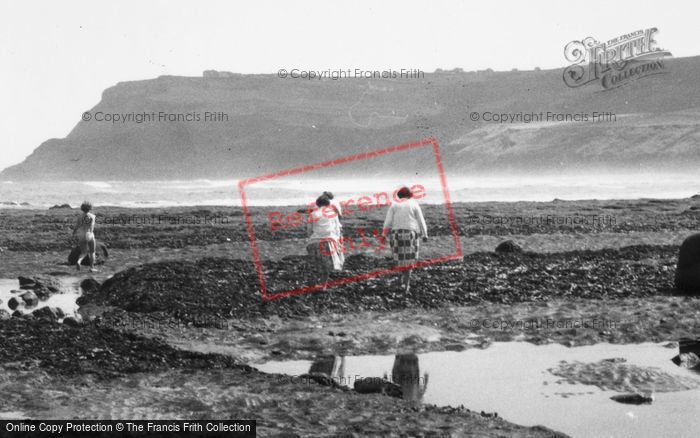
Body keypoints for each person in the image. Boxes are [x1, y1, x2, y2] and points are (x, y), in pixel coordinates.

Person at [383, 186, 428, 292]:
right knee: (409, 260)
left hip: (396, 234)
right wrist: (425, 234)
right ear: (410, 195)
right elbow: (421, 220)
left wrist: (384, 234)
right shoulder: (414, 204)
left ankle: (401, 280)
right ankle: (406, 285)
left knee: (399, 258)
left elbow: (388, 222)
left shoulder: (394, 204)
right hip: (410, 234)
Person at [306, 195, 344, 288]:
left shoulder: (313, 214)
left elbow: (309, 231)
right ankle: (323, 285)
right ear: (328, 204)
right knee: (327, 265)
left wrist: (311, 238)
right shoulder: (333, 214)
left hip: (315, 241)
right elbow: (337, 230)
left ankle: (317, 284)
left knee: (317, 264)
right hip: (329, 241)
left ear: (317, 204)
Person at [72, 201, 97, 272]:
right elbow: (92, 227)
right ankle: (91, 268)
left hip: (81, 234)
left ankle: (79, 261)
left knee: (84, 252)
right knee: (92, 252)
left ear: (82, 208)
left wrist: (73, 233)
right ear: (90, 208)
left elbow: (76, 226)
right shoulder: (92, 216)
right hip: (89, 234)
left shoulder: (79, 216)